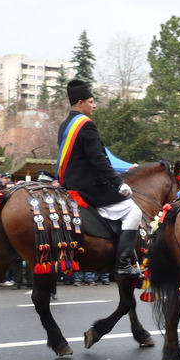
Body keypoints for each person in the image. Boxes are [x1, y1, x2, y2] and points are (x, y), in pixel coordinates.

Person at [56, 79, 142, 279]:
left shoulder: (64, 125)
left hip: (70, 184)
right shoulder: (86, 125)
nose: (94, 105)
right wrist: (119, 183)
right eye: (91, 101)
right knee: (134, 212)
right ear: (80, 103)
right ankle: (123, 265)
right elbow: (98, 161)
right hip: (90, 187)